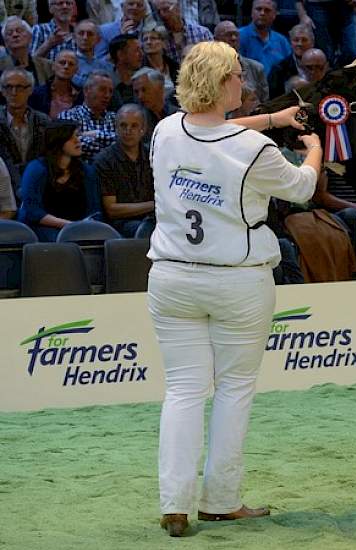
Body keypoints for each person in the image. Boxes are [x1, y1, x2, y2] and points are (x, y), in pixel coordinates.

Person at [149, 41, 322, 538]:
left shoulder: (165, 131)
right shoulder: (254, 150)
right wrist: (311, 149)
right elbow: (302, 189)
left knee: (182, 391)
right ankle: (221, 500)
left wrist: (272, 120)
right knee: (233, 390)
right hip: (237, 280)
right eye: (237, 78)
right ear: (223, 83)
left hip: (172, 276)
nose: (242, 86)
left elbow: (212, 134)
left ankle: (174, 502)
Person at [16, 119, 100, 241]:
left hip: (79, 227)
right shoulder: (37, 169)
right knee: (62, 242)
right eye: (71, 137)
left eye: (77, 135)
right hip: (42, 227)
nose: (77, 141)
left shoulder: (86, 171)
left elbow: (95, 210)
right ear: (58, 141)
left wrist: (84, 225)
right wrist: (71, 226)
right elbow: (33, 212)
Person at [92, 104, 153, 237]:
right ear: (116, 128)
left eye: (134, 126)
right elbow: (112, 210)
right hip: (119, 224)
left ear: (143, 129)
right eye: (123, 125)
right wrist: (155, 205)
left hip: (151, 218)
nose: (128, 131)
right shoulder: (104, 160)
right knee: (148, 231)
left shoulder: (153, 156)